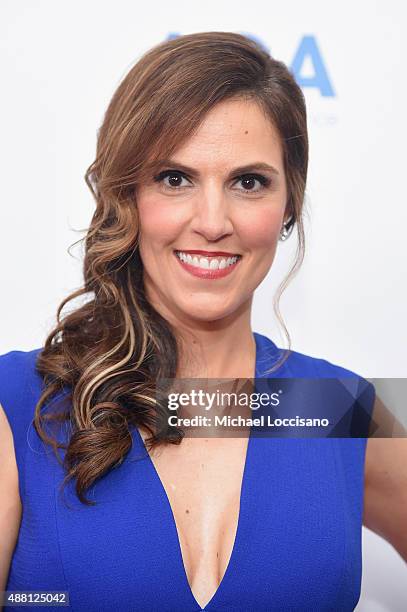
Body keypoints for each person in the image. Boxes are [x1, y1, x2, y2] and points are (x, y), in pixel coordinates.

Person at [0, 31, 406, 612]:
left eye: (249, 182)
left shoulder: (336, 406)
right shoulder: (17, 406)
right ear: (126, 195)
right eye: (175, 178)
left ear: (289, 204)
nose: (212, 222)